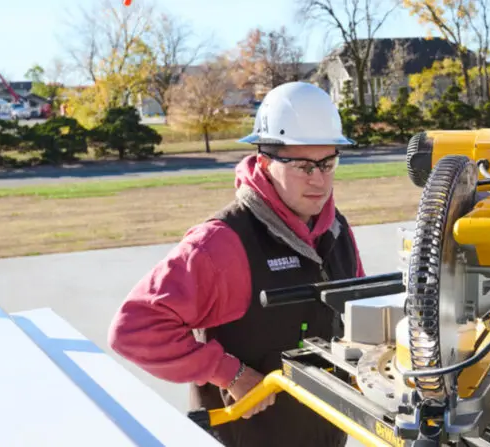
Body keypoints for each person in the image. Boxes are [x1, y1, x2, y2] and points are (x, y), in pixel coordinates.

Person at [108, 81, 365, 447]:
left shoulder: (336, 230)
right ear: (265, 162)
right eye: (304, 166)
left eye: (328, 162)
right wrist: (230, 373)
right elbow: (133, 329)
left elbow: (360, 313)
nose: (319, 180)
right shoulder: (222, 243)